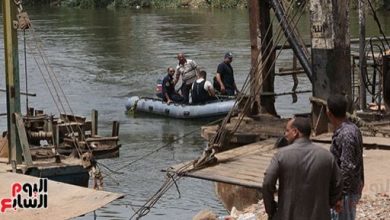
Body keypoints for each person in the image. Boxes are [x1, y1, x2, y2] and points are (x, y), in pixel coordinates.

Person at [263, 117, 342, 220]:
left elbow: (267, 183)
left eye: (287, 130)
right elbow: (338, 183)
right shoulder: (327, 156)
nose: (285, 134)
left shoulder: (280, 155)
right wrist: (330, 202)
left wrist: (271, 209)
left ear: (295, 132)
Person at [327, 94, 364, 220]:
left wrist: (339, 196)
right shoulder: (354, 129)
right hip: (351, 187)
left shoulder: (345, 134)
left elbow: (347, 167)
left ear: (329, 112)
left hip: (346, 191)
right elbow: (359, 158)